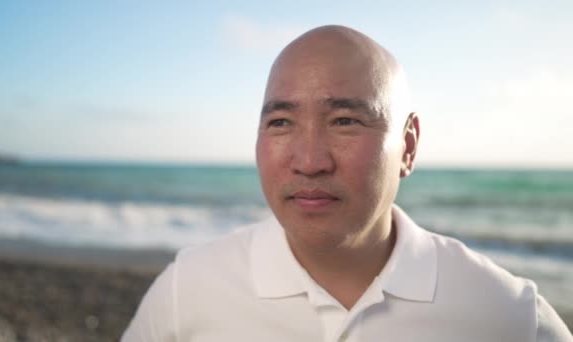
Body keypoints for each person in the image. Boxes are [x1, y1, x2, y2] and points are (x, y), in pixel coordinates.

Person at [122, 25, 572, 341]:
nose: (310, 161)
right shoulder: (190, 289)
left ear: (408, 147)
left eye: (345, 120)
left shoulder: (506, 316)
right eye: (280, 122)